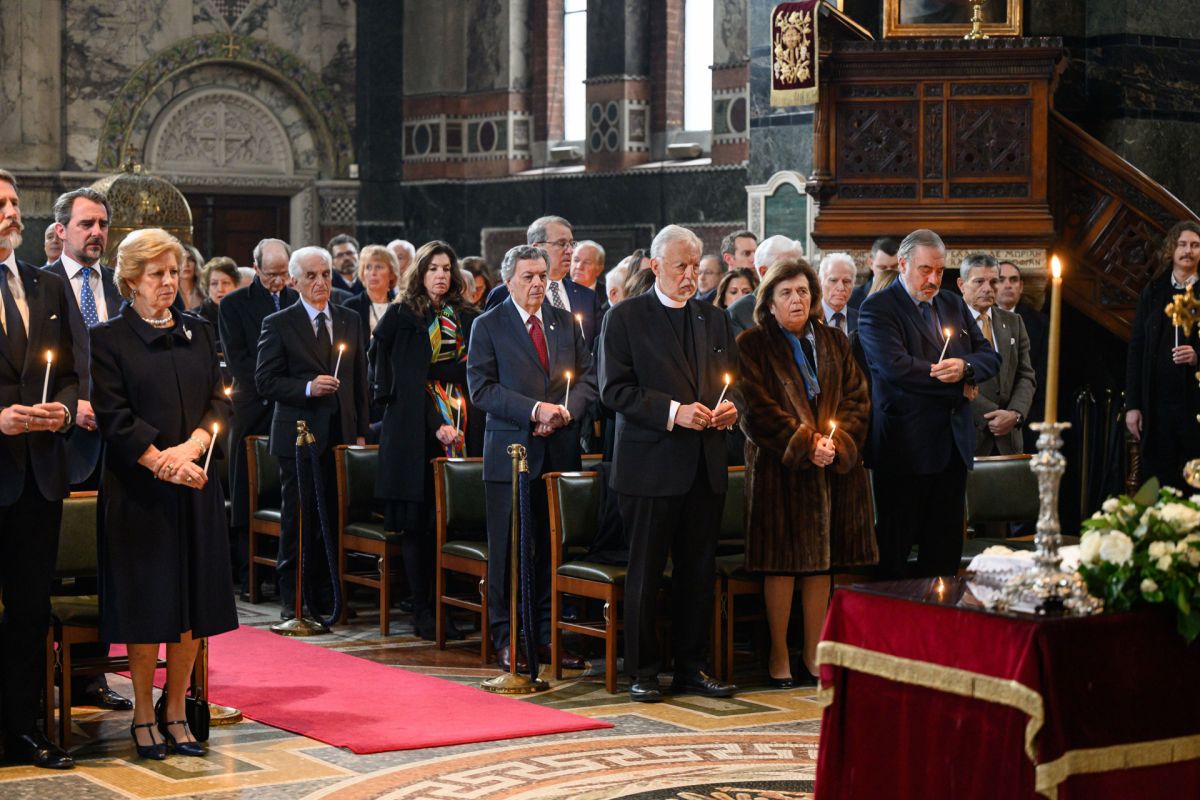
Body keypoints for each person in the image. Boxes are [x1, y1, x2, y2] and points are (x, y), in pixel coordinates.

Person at [89, 227, 236, 760]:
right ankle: (144, 714)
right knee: (149, 603)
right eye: (157, 274)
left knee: (193, 603)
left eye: (174, 273)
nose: (169, 282)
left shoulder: (199, 332)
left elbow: (221, 402)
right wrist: (161, 462)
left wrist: (193, 449)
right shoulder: (108, 340)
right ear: (131, 280)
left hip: (195, 484)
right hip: (139, 495)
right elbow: (113, 416)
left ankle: (177, 710)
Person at [599, 224, 740, 703]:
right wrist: (672, 412)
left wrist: (731, 406)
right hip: (650, 467)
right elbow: (613, 391)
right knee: (646, 571)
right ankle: (642, 670)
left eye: (695, 268)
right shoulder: (624, 319)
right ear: (654, 266)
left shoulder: (713, 318)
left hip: (704, 465)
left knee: (697, 572)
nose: (689, 276)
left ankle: (691, 667)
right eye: (680, 266)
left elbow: (733, 381)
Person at [738, 258, 875, 685]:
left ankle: (815, 654)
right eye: (786, 293)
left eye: (802, 292)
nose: (796, 300)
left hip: (833, 469)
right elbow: (755, 409)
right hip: (782, 470)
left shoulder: (834, 339)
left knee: (822, 565)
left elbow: (857, 397)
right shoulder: (753, 344)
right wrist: (804, 443)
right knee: (782, 564)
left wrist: (838, 444)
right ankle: (780, 654)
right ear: (770, 302)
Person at [467, 244, 595, 671]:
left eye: (542, 275)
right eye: (528, 277)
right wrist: (534, 411)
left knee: (549, 548)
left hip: (557, 451)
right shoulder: (489, 325)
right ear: (509, 281)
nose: (538, 283)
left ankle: (543, 635)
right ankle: (506, 637)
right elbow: (482, 389)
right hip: (511, 454)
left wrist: (564, 412)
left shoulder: (562, 322)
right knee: (508, 550)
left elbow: (588, 377)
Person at [858, 229, 999, 578]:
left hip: (952, 446)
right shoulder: (878, 308)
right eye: (925, 270)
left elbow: (988, 356)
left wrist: (965, 367)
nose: (934, 279)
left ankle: (939, 628)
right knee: (894, 555)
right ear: (903, 264)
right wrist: (957, 388)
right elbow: (896, 369)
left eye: (940, 271)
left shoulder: (951, 302)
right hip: (905, 448)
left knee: (944, 555)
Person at [0, 169, 79, 770]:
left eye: (12, 203)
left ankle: (22, 728)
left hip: (39, 475)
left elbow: (73, 371)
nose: (10, 213)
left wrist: (63, 412)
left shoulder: (45, 285)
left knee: (29, 610)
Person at [44, 187, 132, 713]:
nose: (96, 232)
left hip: (116, 447)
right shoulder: (39, 283)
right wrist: (71, 404)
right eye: (85, 224)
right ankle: (42, 674)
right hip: (61, 443)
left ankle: (91, 677)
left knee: (105, 561)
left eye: (102, 224)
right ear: (61, 231)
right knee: (57, 562)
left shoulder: (118, 289)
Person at [371, 240, 480, 638]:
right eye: (433, 268)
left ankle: (452, 604)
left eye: (447, 269)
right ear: (420, 273)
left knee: (452, 523)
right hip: (415, 429)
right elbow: (404, 379)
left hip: (463, 423)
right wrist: (436, 420)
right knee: (420, 526)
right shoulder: (403, 316)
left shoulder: (465, 315)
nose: (441, 275)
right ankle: (424, 611)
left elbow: (475, 368)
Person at [256, 246, 369, 620]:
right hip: (299, 434)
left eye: (325, 274)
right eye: (310, 276)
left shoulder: (350, 318)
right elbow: (265, 381)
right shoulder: (280, 322)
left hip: (340, 433)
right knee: (300, 517)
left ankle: (328, 595)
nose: (320, 282)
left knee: (332, 518)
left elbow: (360, 383)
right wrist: (307, 387)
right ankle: (294, 597)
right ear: (293, 280)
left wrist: (361, 434)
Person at [219, 238, 299, 598]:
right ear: (255, 268)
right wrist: (278, 384)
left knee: (285, 491)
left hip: (290, 407)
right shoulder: (235, 304)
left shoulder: (297, 300)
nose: (278, 281)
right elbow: (238, 360)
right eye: (271, 274)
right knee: (246, 490)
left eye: (284, 273)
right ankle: (247, 574)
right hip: (252, 406)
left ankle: (284, 570)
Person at [1126, 221, 1200, 490]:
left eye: (1194, 245)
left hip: (1194, 407)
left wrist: (1197, 356)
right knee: (1159, 481)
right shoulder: (1154, 291)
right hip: (1157, 406)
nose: (1188, 251)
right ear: (1172, 249)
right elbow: (1136, 348)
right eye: (1182, 244)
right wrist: (1133, 406)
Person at [958, 254, 1035, 456]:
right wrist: (992, 417)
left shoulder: (1013, 322)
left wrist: (1015, 414)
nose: (988, 288)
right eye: (979, 282)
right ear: (961, 284)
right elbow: (948, 379)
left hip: (1009, 440)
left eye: (994, 281)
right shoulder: (945, 322)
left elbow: (1026, 375)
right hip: (969, 438)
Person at [484, 216, 604, 344]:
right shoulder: (505, 294)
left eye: (571, 243)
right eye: (562, 244)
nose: (570, 251)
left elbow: (598, 348)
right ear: (537, 248)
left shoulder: (587, 296)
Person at [996, 260, 1048, 452]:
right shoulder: (976, 319)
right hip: (987, 419)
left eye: (1013, 280)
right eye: (1001, 280)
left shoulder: (1040, 323)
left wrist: (1019, 414)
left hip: (1028, 417)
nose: (1008, 285)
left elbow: (1042, 375)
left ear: (1021, 286)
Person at [728, 235, 805, 335]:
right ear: (764, 272)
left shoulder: (808, 304)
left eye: (798, 268)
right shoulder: (738, 314)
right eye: (787, 270)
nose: (796, 276)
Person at [341, 244, 399, 341]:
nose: (373, 273)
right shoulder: (350, 307)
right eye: (368, 267)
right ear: (362, 273)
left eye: (379, 267)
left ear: (392, 273)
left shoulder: (401, 307)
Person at [848, 237, 899, 311]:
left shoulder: (911, 295)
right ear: (871, 263)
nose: (889, 273)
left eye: (894, 267)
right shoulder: (852, 298)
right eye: (883, 268)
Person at [818, 252, 858, 335]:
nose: (841, 288)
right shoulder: (809, 319)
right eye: (833, 280)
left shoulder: (861, 320)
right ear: (820, 281)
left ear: (853, 284)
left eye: (846, 281)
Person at [177, 244, 205, 310]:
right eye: (182, 260)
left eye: (191, 260)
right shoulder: (170, 293)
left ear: (197, 263)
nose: (186, 264)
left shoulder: (205, 292)